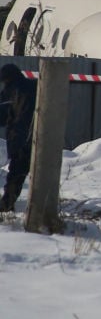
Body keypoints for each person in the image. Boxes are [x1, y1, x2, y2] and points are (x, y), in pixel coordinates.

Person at [0, 63, 38, 212]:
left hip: (19, 138)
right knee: (39, 173)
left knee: (16, 173)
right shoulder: (35, 85)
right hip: (40, 137)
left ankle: (6, 205)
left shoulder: (10, 91)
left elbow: (2, 117)